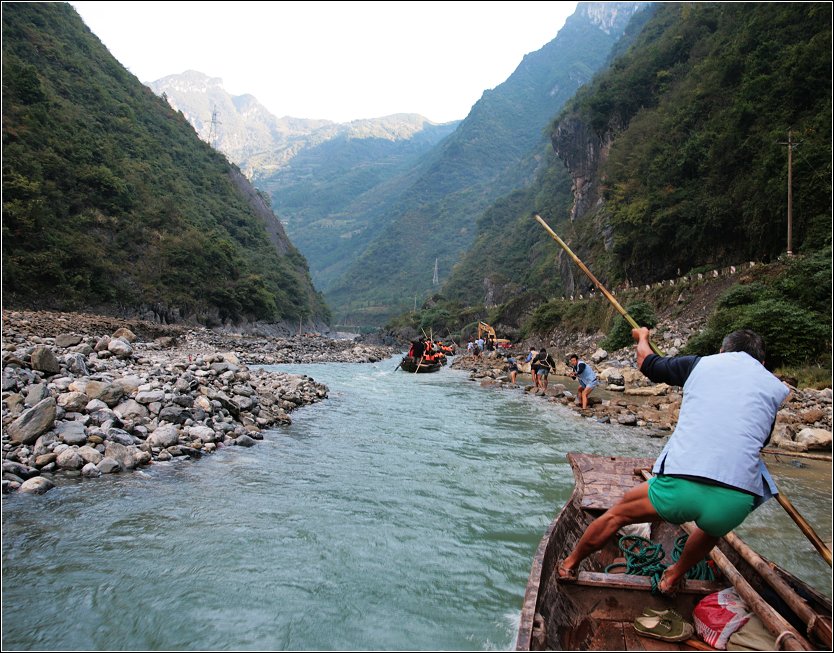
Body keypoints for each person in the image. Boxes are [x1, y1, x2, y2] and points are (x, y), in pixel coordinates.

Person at [557, 328, 790, 597]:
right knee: (711, 530)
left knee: (617, 515)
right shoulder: (774, 387)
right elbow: (760, 441)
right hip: (736, 501)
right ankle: (672, 577)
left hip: (682, 486)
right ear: (761, 363)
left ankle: (569, 564)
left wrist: (643, 337)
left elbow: (647, 364)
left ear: (723, 351)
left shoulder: (700, 364)